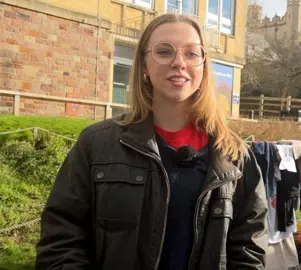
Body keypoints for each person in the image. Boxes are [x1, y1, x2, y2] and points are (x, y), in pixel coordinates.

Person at [35, 13, 268, 269]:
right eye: (164, 51)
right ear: (144, 65)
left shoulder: (234, 155)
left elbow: (249, 251)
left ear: (203, 65)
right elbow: (61, 241)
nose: (179, 62)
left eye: (191, 53)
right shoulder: (96, 145)